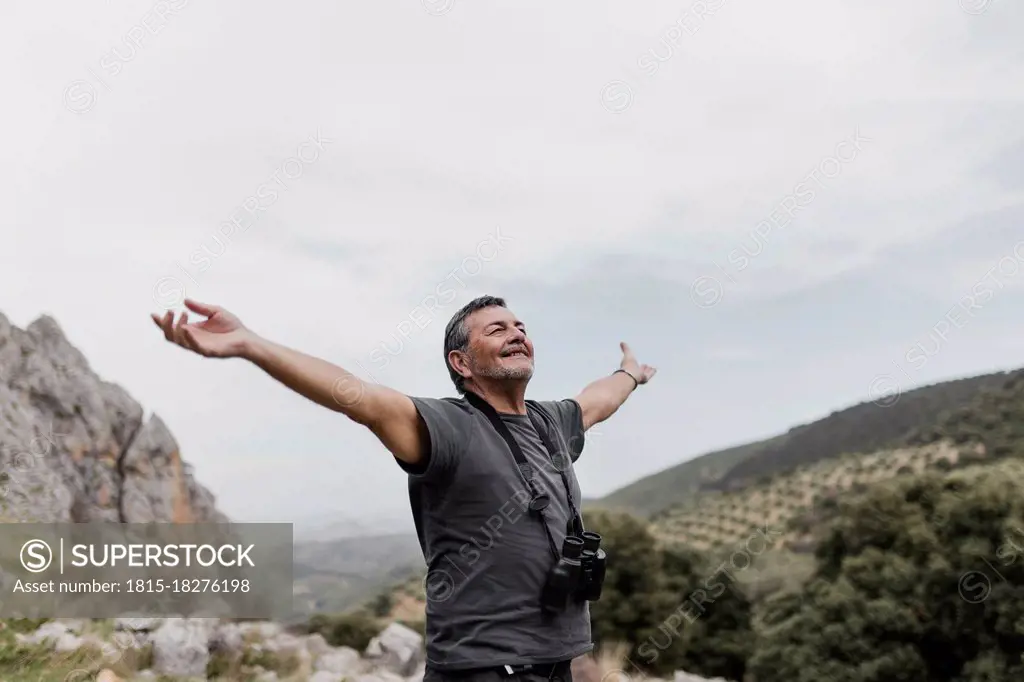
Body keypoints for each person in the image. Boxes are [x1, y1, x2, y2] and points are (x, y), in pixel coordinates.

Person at [151, 294, 656, 682]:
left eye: (521, 326)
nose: (517, 333)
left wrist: (629, 374)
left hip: (556, 661)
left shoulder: (551, 423)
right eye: (497, 329)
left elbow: (597, 400)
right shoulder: (447, 425)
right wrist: (250, 344)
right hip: (483, 668)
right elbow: (357, 397)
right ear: (461, 362)